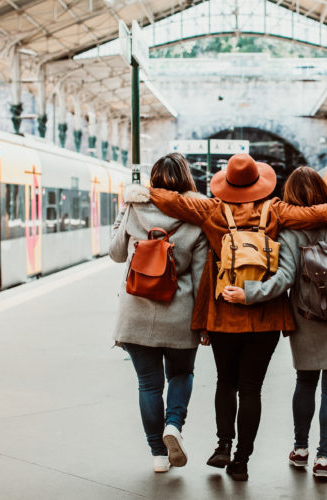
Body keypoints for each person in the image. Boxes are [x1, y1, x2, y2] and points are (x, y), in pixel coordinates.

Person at [127, 153, 327, 481]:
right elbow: (311, 215)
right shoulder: (275, 209)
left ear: (226, 183)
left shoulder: (212, 209)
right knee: (251, 389)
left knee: (225, 383)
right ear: (259, 183)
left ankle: (223, 446)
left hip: (225, 313)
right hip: (266, 316)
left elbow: (176, 202)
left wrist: (146, 192)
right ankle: (242, 459)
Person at [223, 166, 327, 480]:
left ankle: (301, 450)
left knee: (306, 383)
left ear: (290, 196)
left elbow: (284, 279)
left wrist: (249, 294)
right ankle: (324, 458)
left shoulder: (289, 229)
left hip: (308, 316)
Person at [109, 153, 208, 474]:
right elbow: (201, 273)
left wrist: (122, 217)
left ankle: (158, 456)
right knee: (180, 375)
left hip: (136, 311)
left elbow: (116, 253)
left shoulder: (134, 207)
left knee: (148, 385)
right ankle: (174, 425)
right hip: (180, 312)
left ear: (152, 179)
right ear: (187, 178)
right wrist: (203, 320)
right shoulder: (197, 215)